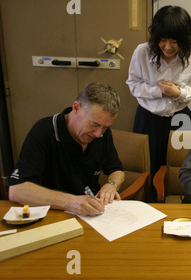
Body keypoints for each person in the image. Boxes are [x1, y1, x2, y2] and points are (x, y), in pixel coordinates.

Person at [8, 83, 125, 216]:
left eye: (105, 127)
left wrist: (111, 184)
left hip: (92, 216)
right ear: (76, 108)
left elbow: (117, 170)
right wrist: (70, 202)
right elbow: (17, 190)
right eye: (94, 124)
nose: (98, 134)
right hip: (52, 214)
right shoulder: (43, 131)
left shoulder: (103, 134)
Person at [126, 5, 191, 177]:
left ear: (185, 39)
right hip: (148, 119)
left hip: (180, 118)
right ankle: (150, 203)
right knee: (147, 168)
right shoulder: (142, 52)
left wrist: (179, 94)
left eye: (175, 41)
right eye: (163, 39)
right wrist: (158, 92)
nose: (168, 47)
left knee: (181, 167)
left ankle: (177, 203)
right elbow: (133, 84)